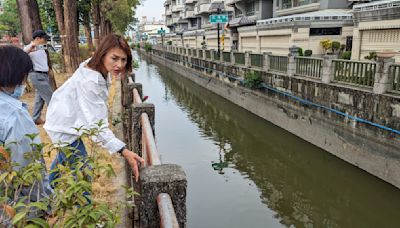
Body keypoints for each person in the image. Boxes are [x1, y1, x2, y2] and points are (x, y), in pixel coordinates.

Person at [44, 34, 145, 185]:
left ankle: (47, 195)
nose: (120, 64)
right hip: (63, 125)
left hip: (64, 117)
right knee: (85, 173)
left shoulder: (95, 66)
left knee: (63, 159)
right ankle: (84, 205)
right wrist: (124, 150)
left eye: (124, 59)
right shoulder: (91, 82)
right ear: (102, 54)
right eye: (115, 58)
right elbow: (96, 126)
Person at [0, 45, 52, 218]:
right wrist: (46, 203)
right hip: (18, 207)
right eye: (24, 76)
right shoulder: (14, 115)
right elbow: (27, 168)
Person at [24, 30, 54, 125]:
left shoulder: (41, 47)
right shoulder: (30, 47)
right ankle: (55, 120)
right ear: (38, 38)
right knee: (51, 98)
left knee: (39, 99)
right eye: (44, 39)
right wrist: (31, 48)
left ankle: (35, 118)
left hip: (43, 75)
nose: (46, 41)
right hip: (37, 75)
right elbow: (23, 52)